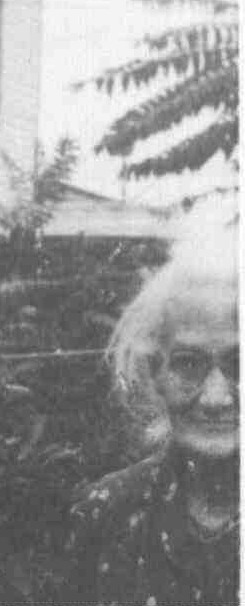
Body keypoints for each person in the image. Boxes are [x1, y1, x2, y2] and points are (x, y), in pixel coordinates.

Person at [65, 211, 239, 605]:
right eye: (188, 364)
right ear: (155, 372)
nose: (216, 399)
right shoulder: (105, 513)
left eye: (239, 364)